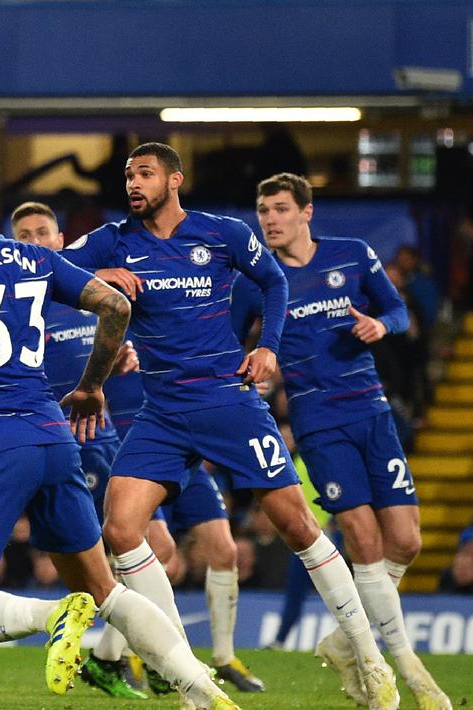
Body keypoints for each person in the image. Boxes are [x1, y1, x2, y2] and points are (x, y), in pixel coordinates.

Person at [61, 143, 400, 710]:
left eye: (144, 174)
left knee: (296, 524)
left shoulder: (221, 233)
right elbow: (53, 267)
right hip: (162, 411)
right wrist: (98, 272)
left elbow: (274, 282)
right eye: (128, 175)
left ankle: (370, 661)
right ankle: (188, 674)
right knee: (120, 530)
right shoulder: (113, 239)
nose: (133, 184)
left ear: (175, 180)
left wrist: (266, 347)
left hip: (227, 401)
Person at [0, 149, 235, 709]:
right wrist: (90, 386)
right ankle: (199, 689)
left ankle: (52, 614)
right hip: (54, 436)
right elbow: (116, 306)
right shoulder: (33, 256)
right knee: (104, 589)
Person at [11, 201, 263, 697]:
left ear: (61, 241)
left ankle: (121, 656)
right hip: (72, 438)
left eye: (44, 232)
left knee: (173, 550)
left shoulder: (96, 295)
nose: (36, 242)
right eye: (25, 235)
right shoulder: (22, 305)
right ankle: (171, 663)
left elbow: (126, 334)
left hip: (135, 433)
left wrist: (120, 353)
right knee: (114, 559)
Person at [232, 173, 449, 709]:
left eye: (280, 208)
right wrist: (249, 373)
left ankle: (341, 641)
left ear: (307, 212)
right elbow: (231, 342)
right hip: (318, 423)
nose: (270, 219)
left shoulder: (352, 255)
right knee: (365, 542)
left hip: (372, 412)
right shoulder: (259, 279)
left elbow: (397, 311)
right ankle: (407, 675)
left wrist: (382, 326)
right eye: (263, 210)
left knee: (407, 542)